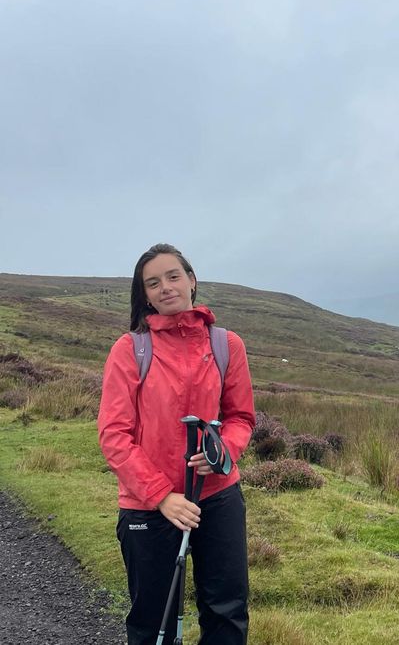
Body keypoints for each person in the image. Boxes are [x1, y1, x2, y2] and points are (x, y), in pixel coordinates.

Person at [98, 243, 255, 644]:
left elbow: (241, 417)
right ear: (145, 295)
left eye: (173, 276)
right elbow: (114, 435)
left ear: (192, 280)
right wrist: (161, 496)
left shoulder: (226, 345)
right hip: (149, 506)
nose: (165, 287)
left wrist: (223, 453)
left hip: (217, 498)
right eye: (153, 282)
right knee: (154, 620)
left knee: (227, 612)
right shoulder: (130, 350)